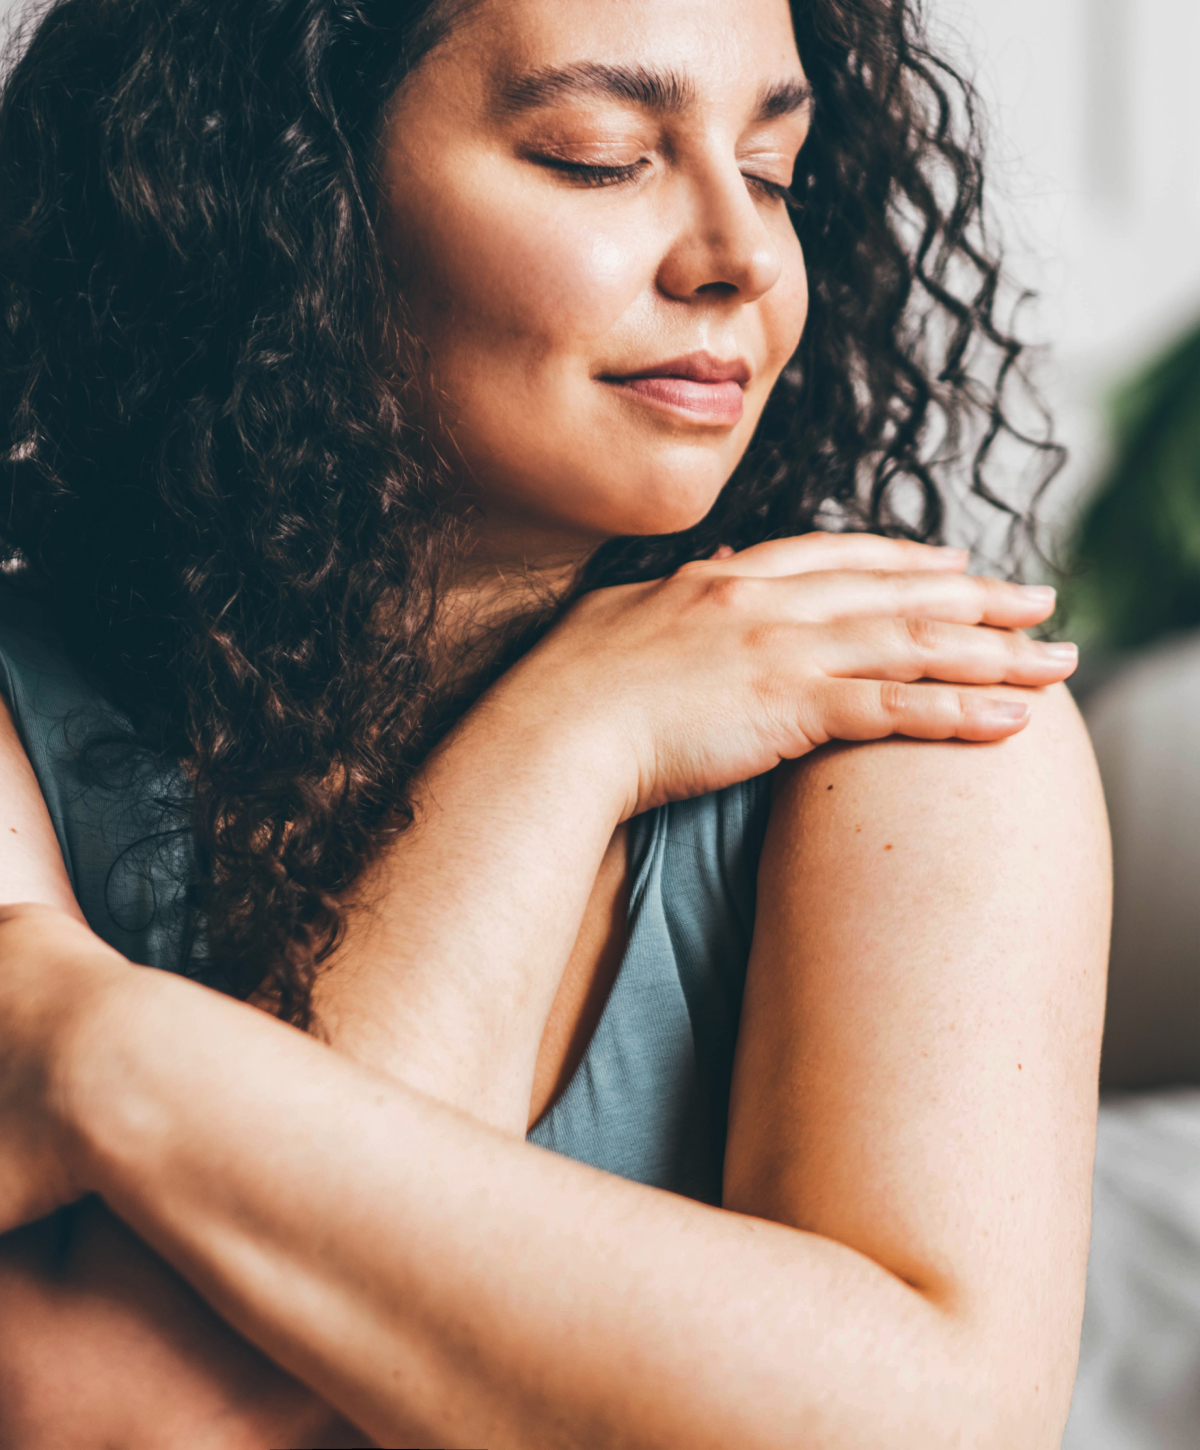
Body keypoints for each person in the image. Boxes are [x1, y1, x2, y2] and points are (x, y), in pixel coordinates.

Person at [0, 0, 1109, 1444]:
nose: (742, 257)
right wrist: (571, 741)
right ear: (283, 188)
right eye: (598, 157)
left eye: (774, 169)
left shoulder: (910, 702)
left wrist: (96, 1051)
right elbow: (119, 1421)